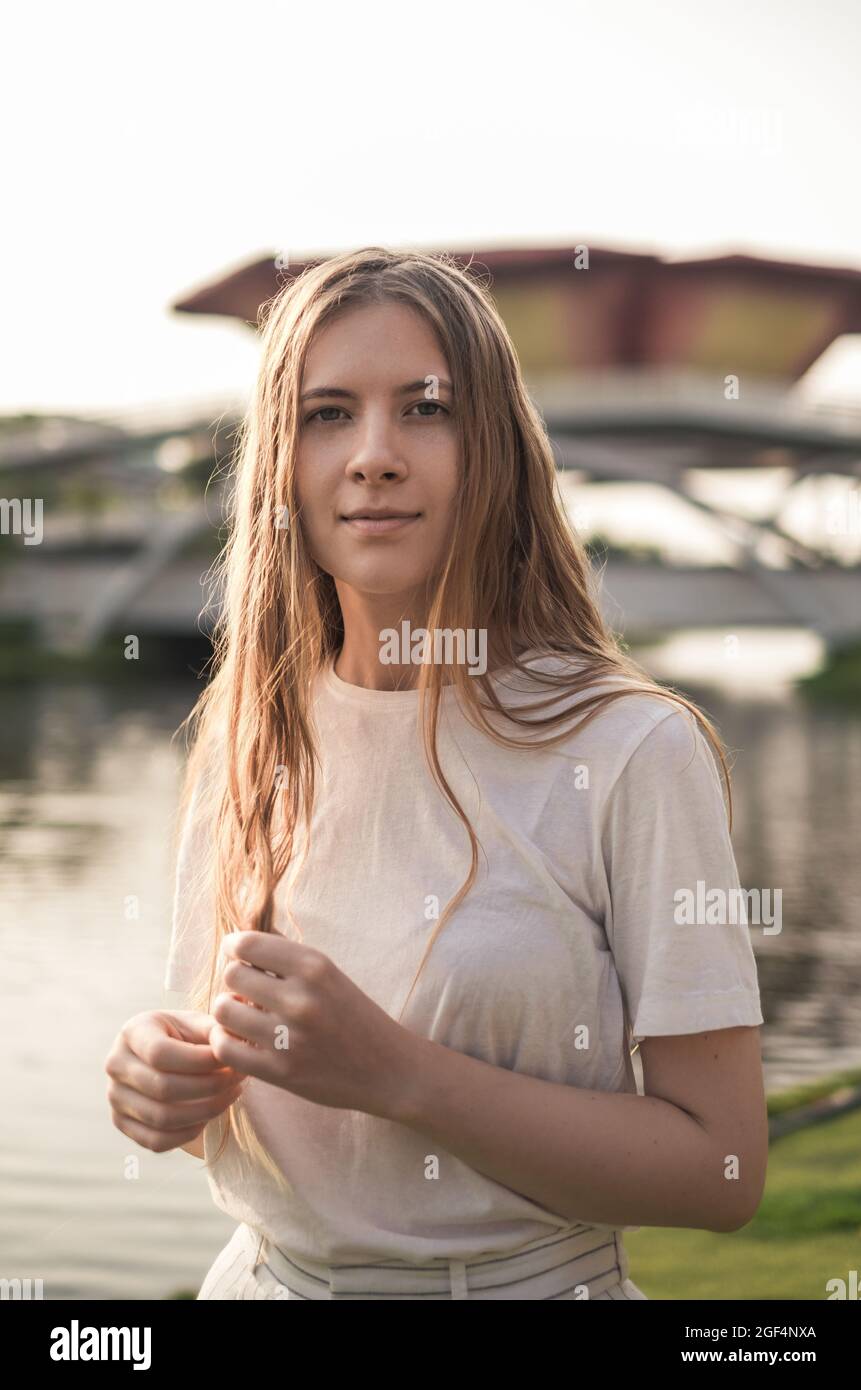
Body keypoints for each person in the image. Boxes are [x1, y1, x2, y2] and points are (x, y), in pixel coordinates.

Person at [105, 247, 767, 1301]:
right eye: (327, 414)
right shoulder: (250, 729)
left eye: (425, 410)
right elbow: (239, 1069)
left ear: (494, 448)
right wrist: (167, 1072)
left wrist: (403, 1078)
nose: (373, 456)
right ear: (280, 462)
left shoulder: (633, 750)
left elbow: (721, 1171)